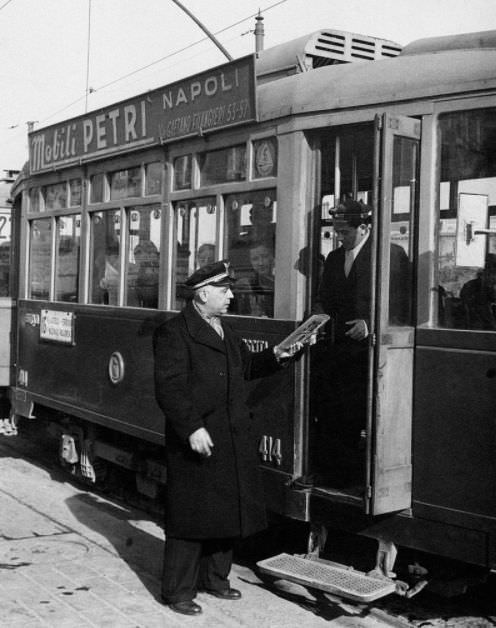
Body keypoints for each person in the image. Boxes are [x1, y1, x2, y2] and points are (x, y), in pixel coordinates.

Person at [153, 260, 302, 616]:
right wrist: (191, 427)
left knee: (224, 512)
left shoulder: (224, 329)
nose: (231, 296)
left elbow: (246, 367)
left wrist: (278, 355)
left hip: (230, 435)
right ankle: (177, 591)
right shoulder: (175, 332)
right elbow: (170, 389)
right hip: (199, 435)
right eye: (225, 290)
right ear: (203, 294)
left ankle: (215, 579)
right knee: (190, 518)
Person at [310, 199, 409, 488]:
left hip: (371, 353)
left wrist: (370, 325)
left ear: (364, 228)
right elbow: (323, 298)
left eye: (346, 232)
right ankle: (335, 475)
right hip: (336, 350)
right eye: (337, 232)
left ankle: (356, 477)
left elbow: (401, 305)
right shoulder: (333, 259)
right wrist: (317, 317)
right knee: (333, 414)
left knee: (359, 416)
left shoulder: (391, 256)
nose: (340, 238)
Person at [234, 241, 275, 317]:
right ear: (250, 262)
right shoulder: (245, 286)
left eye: (265, 256)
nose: (260, 263)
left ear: (272, 258)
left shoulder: (281, 282)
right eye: (255, 259)